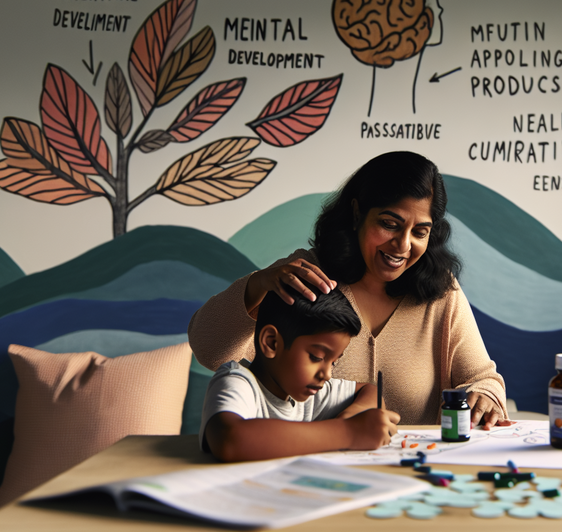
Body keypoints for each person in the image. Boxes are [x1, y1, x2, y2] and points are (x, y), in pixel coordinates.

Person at [189, 151, 511, 428]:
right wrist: (256, 285)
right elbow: (210, 350)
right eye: (390, 224)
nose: (403, 245)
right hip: (308, 475)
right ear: (357, 213)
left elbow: (484, 378)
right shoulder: (305, 275)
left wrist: (483, 396)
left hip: (414, 477)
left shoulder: (441, 293)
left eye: (420, 232)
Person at [200, 285, 399, 462]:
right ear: (271, 343)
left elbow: (369, 391)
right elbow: (228, 440)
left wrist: (352, 415)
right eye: (316, 356)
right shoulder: (237, 382)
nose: (327, 374)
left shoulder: (310, 394)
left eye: (334, 362)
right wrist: (349, 431)